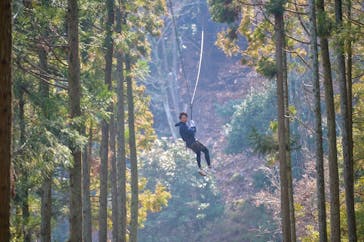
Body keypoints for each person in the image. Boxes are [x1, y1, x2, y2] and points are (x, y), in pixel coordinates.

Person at [175, 112, 214, 176]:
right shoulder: (183, 126)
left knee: (198, 153)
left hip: (190, 143)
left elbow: (187, 130)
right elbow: (192, 132)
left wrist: (191, 126)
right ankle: (209, 167)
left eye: (185, 118)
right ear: (180, 119)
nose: (185, 119)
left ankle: (200, 168)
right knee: (206, 150)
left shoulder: (182, 125)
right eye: (183, 118)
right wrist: (193, 126)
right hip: (193, 143)